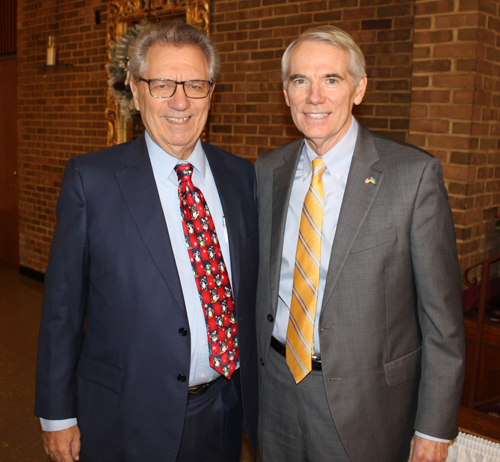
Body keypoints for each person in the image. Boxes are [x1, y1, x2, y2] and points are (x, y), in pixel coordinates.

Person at [35, 21, 258, 462]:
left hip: (225, 410)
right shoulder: (92, 181)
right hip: (126, 418)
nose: (180, 101)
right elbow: (62, 309)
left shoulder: (242, 177)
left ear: (211, 92)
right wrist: (57, 415)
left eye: (195, 84)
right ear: (136, 93)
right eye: (161, 84)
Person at [255, 25, 465, 462]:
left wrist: (434, 427)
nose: (315, 96)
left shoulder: (412, 177)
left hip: (368, 408)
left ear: (358, 88)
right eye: (300, 81)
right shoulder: (267, 171)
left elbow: (441, 317)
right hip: (274, 392)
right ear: (286, 92)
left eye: (331, 79)